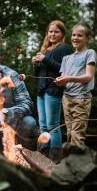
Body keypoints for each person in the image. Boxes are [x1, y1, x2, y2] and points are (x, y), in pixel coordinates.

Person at [31, 20, 72, 162]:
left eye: (56, 31)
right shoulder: (45, 50)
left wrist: (45, 60)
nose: (52, 34)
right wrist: (36, 64)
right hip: (41, 91)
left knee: (53, 126)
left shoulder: (64, 49)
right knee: (42, 125)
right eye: (50, 31)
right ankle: (43, 155)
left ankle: (55, 158)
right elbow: (40, 74)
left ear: (62, 34)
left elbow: (64, 70)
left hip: (53, 90)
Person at [54, 22, 97, 147]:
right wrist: (59, 81)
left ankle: (76, 165)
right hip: (66, 98)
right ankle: (69, 163)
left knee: (77, 134)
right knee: (69, 133)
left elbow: (88, 77)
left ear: (87, 38)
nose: (75, 38)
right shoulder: (66, 59)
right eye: (73, 35)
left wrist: (68, 79)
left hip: (81, 99)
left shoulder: (89, 53)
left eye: (80, 35)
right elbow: (63, 79)